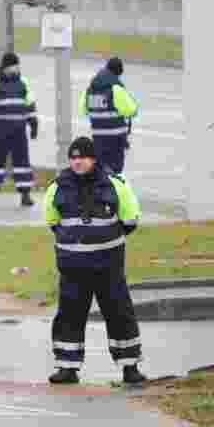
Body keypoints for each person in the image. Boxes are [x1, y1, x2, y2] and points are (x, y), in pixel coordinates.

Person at [43, 136, 146, 386]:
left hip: (107, 267)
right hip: (72, 268)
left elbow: (130, 219)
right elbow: (52, 221)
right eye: (74, 157)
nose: (78, 162)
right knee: (69, 316)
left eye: (83, 157)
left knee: (119, 313)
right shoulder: (57, 186)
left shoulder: (114, 184)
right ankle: (67, 368)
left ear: (93, 159)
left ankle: (129, 367)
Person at [0, 52, 39, 207]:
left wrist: (33, 122)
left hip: (19, 131)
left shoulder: (23, 82)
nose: (16, 69)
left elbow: (29, 104)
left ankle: (25, 194)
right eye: (13, 66)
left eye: (17, 66)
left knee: (22, 163)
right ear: (5, 67)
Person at [79, 57, 138, 176]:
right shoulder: (115, 88)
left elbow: (83, 110)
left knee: (100, 169)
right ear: (118, 72)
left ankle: (100, 193)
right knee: (115, 171)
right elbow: (131, 110)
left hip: (98, 137)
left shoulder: (90, 89)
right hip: (115, 138)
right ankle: (112, 193)